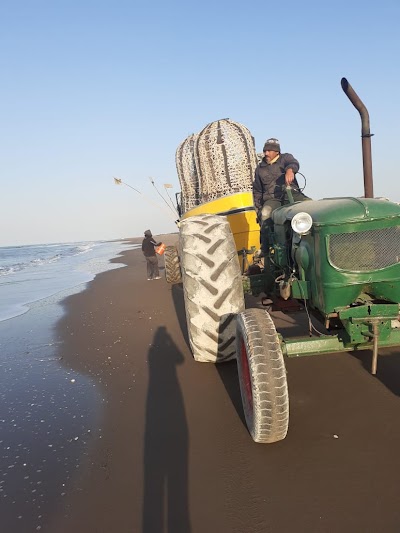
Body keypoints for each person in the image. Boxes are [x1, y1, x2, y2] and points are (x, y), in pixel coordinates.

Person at [253, 138, 310, 252]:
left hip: (291, 193)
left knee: (311, 206)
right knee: (265, 214)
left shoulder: (286, 158)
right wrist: (258, 210)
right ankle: (265, 251)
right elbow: (258, 191)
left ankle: (311, 241)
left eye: (269, 151)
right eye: (265, 151)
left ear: (277, 152)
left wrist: (290, 170)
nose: (266, 153)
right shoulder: (260, 168)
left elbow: (294, 163)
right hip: (272, 199)